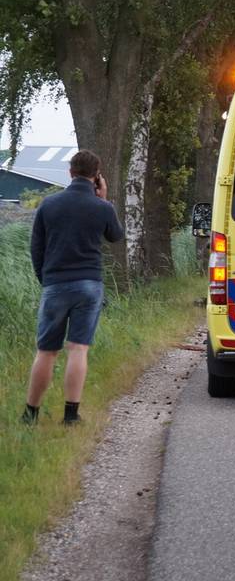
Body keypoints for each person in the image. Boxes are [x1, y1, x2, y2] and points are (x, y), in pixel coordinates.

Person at [23, 151, 124, 425]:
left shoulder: (49, 204)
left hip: (55, 283)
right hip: (89, 285)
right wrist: (103, 199)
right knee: (78, 349)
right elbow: (116, 236)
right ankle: (70, 415)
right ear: (97, 175)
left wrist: (45, 280)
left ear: (70, 172)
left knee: (46, 351)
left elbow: (36, 248)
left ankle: (31, 413)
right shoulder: (102, 207)